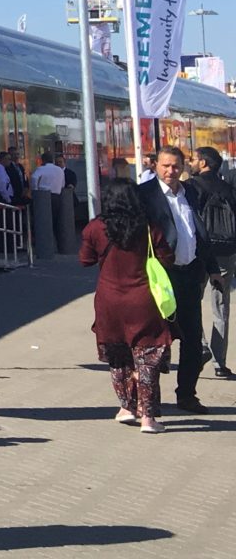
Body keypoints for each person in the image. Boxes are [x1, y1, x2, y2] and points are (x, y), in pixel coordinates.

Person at [82, 178, 176, 431]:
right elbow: (167, 257)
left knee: (119, 358)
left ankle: (126, 407)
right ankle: (148, 417)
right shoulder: (148, 228)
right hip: (143, 301)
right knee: (147, 359)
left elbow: (85, 260)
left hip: (109, 302)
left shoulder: (94, 228)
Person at [138, 145, 209, 414]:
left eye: (176, 166)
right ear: (156, 165)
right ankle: (148, 400)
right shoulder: (145, 195)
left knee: (192, 339)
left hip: (190, 274)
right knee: (155, 341)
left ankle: (187, 395)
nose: (171, 171)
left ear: (184, 167)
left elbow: (200, 232)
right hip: (160, 278)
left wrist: (210, 268)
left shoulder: (191, 192)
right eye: (165, 166)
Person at [190, 147, 236, 381]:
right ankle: (221, 363)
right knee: (221, 307)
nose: (191, 161)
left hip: (200, 253)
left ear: (204, 163)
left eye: (194, 158)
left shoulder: (192, 186)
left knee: (190, 303)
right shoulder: (228, 188)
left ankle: (201, 345)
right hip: (226, 253)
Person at [27, 150, 64, 261]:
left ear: (42, 160)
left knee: (42, 222)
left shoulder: (41, 169)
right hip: (57, 197)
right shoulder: (59, 170)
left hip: (43, 197)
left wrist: (35, 190)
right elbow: (62, 183)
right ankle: (59, 246)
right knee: (56, 222)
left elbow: (34, 178)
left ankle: (44, 246)